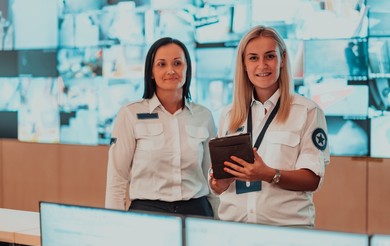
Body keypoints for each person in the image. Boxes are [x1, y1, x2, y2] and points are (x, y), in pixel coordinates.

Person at [209, 26, 330, 227]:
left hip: (286, 231)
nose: (262, 65)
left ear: (282, 60)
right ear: (244, 65)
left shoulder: (308, 111)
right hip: (234, 230)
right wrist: (218, 183)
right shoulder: (229, 115)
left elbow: (312, 179)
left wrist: (268, 174)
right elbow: (218, 186)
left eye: (270, 56)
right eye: (253, 58)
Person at [105, 37, 216, 217]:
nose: (170, 70)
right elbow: (117, 179)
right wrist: (114, 225)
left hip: (197, 212)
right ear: (151, 72)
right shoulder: (130, 114)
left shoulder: (204, 116)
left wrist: (218, 223)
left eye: (177, 63)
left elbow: (212, 181)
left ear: (187, 68)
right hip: (147, 213)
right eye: (161, 64)